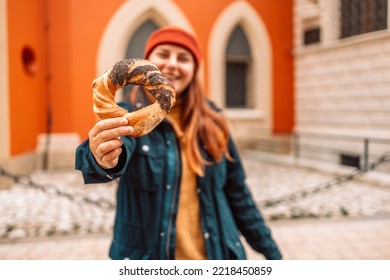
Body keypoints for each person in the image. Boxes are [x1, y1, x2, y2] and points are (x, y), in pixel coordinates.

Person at [75, 26, 282, 260]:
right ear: (148, 63)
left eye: (183, 58)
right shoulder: (129, 118)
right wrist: (102, 158)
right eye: (164, 54)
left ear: (194, 70)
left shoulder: (215, 124)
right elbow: (102, 158)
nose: (173, 63)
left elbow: (238, 194)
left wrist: (273, 255)